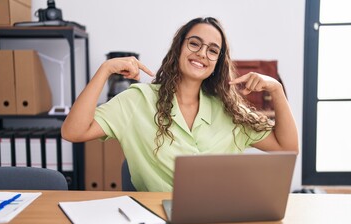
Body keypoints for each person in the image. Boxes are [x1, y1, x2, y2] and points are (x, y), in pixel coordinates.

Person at [61, 17, 298, 192]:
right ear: (179, 47)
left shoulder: (231, 112)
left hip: (218, 223)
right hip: (157, 223)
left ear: (217, 62)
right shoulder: (136, 100)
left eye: (213, 50)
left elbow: (288, 148)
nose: (203, 53)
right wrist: (105, 71)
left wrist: (276, 89)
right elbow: (73, 131)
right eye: (195, 43)